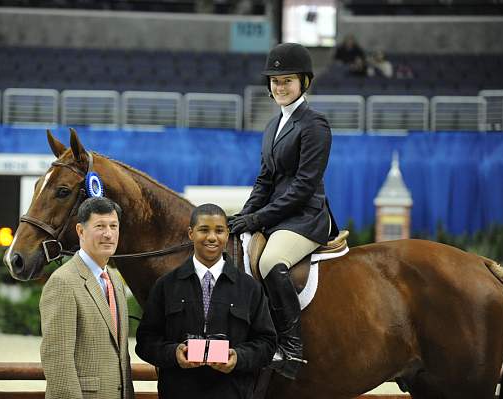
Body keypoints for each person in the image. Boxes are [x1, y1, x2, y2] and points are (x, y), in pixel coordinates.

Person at [229, 42, 340, 380]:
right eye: (275, 81)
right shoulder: (272, 126)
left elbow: (303, 187)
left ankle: (290, 348)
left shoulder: (314, 125)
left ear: (304, 82)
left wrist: (259, 219)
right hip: (278, 216)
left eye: (287, 80)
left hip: (305, 216)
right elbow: (264, 181)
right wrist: (242, 217)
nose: (280, 87)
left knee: (269, 262)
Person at [136, 203, 276, 399]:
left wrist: (238, 357)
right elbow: (145, 342)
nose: (212, 237)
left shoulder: (249, 288)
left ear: (227, 235)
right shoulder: (166, 286)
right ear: (191, 233)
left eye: (219, 230)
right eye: (204, 230)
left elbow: (267, 344)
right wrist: (174, 353)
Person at [39, 196, 134, 399]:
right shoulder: (63, 282)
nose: (108, 234)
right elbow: (57, 359)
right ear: (80, 231)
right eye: (100, 226)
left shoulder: (115, 280)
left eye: (113, 226)